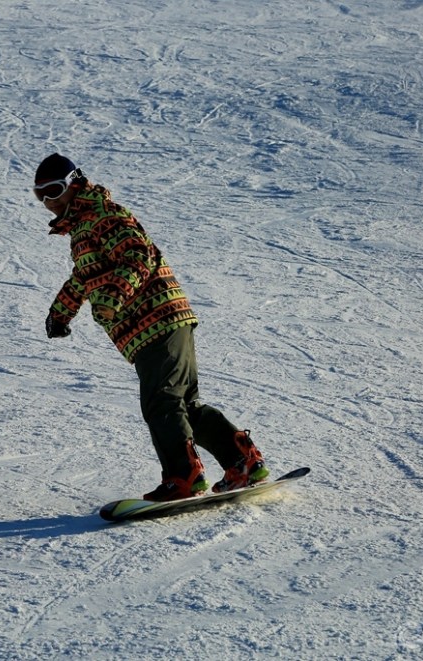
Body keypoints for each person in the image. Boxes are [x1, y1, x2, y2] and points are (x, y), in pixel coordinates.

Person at [36, 153, 270, 501]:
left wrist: (114, 297)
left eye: (54, 190)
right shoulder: (84, 229)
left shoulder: (104, 216)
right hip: (155, 323)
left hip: (156, 318)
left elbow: (138, 255)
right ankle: (243, 461)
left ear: (74, 183)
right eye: (39, 195)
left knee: (161, 401)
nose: (49, 202)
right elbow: (84, 277)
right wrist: (61, 313)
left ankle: (183, 476)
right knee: (183, 405)